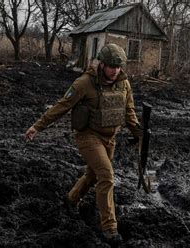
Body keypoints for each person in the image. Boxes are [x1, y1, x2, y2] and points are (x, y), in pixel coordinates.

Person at [25, 43, 142, 243]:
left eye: (119, 67)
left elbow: (129, 111)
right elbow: (63, 105)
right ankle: (110, 228)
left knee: (93, 175)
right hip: (88, 136)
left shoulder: (124, 84)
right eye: (112, 66)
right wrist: (38, 126)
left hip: (110, 138)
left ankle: (71, 199)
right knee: (106, 175)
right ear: (102, 64)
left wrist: (138, 133)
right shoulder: (84, 83)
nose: (115, 71)